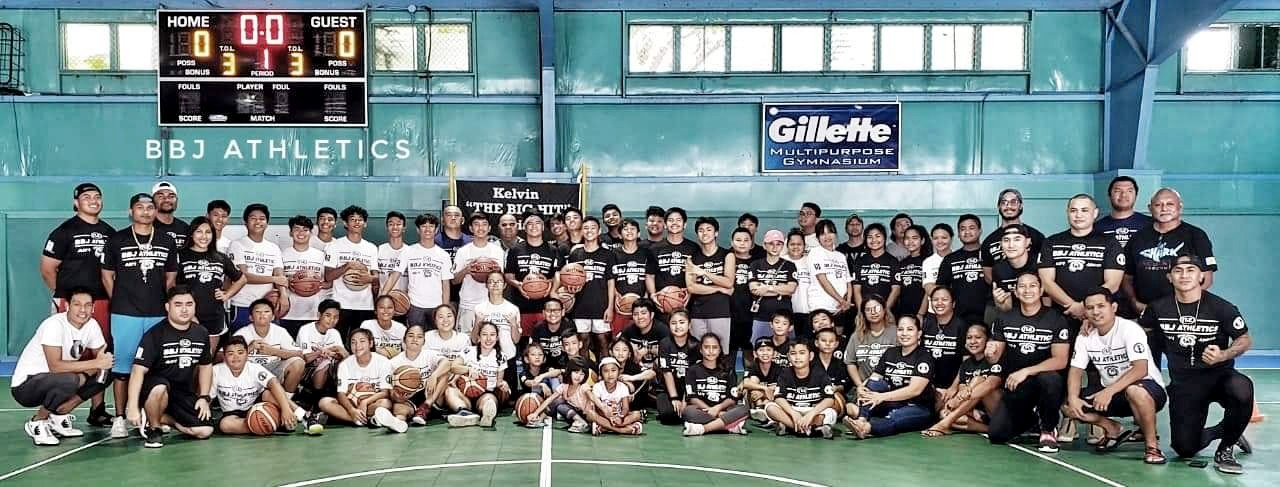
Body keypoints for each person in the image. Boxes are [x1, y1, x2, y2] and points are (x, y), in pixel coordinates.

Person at [1138, 254, 1254, 474]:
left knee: (1242, 389)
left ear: (1201, 275)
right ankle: (1227, 430)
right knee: (1184, 448)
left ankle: (1226, 448)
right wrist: (1100, 323)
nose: (1184, 275)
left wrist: (1224, 354)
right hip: (1185, 384)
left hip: (1220, 377)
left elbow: (1245, 338)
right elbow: (1138, 330)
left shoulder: (1221, 307)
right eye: (1178, 271)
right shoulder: (1158, 308)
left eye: (1191, 270)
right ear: (1169, 277)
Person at [101, 192, 178, 439]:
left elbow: (170, 279)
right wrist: (122, 299)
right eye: (140, 207)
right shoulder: (117, 240)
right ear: (130, 211)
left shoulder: (166, 240)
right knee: (122, 368)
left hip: (157, 313)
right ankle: (120, 417)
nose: (145, 211)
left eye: (150, 207)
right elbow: (106, 275)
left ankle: (150, 416)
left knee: (156, 368)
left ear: (155, 212)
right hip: (125, 314)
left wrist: (162, 304)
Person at [1064, 288, 1167, 464]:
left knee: (1135, 391)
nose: (1095, 312)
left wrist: (1108, 391)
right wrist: (1073, 398)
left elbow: (1140, 369)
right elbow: (1075, 370)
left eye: (1101, 306)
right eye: (1090, 308)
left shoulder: (1130, 329)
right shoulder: (1085, 336)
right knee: (1067, 405)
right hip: (1113, 393)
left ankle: (1152, 446)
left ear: (1114, 307)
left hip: (1148, 389)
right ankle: (1111, 428)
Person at [41, 183, 115, 428]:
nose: (93, 200)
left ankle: (98, 410)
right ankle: (54, 409)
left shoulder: (109, 232)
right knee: (66, 355)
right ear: (76, 202)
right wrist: (63, 297)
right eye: (86, 197)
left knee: (99, 354)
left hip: (102, 302)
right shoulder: (64, 231)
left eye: (97, 196)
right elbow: (48, 269)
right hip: (70, 303)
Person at [1124, 188, 1217, 367]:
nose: (1164, 208)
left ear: (1180, 207)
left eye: (1170, 204)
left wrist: (1178, 306)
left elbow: (1206, 278)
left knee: (1188, 369)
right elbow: (1127, 278)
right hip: (1146, 314)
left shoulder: (1195, 236)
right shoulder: (1138, 238)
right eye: (1158, 205)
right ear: (1150, 208)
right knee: (1145, 370)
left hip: (1181, 317)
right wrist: (1134, 301)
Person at [11, 287, 112, 446]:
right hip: (26, 387)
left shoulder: (91, 325)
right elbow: (55, 367)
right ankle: (38, 421)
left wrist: (76, 396)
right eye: (77, 304)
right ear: (67, 306)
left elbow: (103, 358)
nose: (82, 310)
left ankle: (57, 416)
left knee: (108, 371)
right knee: (69, 380)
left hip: (60, 380)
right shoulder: (54, 325)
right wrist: (95, 364)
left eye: (87, 305)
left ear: (93, 308)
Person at [986, 273, 1070, 453]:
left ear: (1040, 290)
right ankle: (1034, 419)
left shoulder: (1056, 319)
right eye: (1022, 286)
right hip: (1016, 385)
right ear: (1015, 292)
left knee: (1050, 379)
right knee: (997, 434)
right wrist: (990, 353)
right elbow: (995, 357)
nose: (1027, 290)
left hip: (1045, 383)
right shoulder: (1005, 319)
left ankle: (1048, 429)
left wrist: (1027, 371)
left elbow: (1061, 360)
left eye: (1032, 286)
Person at [125, 286, 214, 448]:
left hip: (181, 392)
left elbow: (206, 366)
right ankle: (154, 428)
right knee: (160, 387)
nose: (184, 309)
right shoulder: (155, 334)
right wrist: (132, 405)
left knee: (204, 430)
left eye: (189, 304)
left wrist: (204, 397)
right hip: (154, 388)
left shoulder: (201, 333)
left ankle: (162, 417)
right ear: (168, 307)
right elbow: (138, 370)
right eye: (178, 304)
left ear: (195, 306)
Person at [1038, 194, 1124, 328]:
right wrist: (1073, 306)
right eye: (1073, 210)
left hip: (1097, 317)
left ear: (1095, 213)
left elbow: (1113, 283)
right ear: (1067, 212)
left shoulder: (1110, 243)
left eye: (1084, 210)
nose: (1078, 215)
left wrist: (1086, 307)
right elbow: (1046, 282)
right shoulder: (1051, 242)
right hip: (1060, 314)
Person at [845, 315, 936, 439]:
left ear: (919, 333)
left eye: (910, 329)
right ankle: (861, 419)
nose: (904, 333)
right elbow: (874, 378)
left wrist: (881, 397)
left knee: (895, 417)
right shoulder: (891, 352)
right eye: (900, 329)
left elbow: (914, 390)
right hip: (892, 402)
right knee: (873, 384)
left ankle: (865, 428)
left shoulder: (924, 356)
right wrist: (862, 388)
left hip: (918, 407)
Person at [176, 217, 245, 354]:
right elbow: (171, 285)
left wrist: (227, 294)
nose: (203, 236)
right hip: (187, 315)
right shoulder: (180, 255)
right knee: (187, 356)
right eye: (199, 232)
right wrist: (186, 312)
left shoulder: (220, 257)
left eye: (208, 232)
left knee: (208, 357)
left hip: (214, 316)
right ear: (191, 234)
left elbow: (241, 279)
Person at [210, 336, 306, 436]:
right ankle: (272, 424)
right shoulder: (216, 371)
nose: (236, 357)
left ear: (247, 355)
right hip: (233, 413)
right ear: (224, 357)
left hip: (257, 404)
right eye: (230, 354)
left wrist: (285, 409)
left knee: (268, 393)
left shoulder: (254, 368)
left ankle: (303, 416)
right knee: (225, 425)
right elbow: (208, 397)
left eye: (240, 352)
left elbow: (274, 383)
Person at [923, 324, 1004, 437]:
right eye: (969, 338)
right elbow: (962, 391)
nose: (973, 341)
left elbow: (992, 384)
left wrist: (959, 398)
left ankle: (944, 425)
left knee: (979, 380)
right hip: (978, 413)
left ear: (988, 339)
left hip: (997, 410)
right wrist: (960, 405)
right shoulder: (966, 364)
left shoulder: (994, 359)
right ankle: (990, 429)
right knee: (943, 414)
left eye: (978, 337)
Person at [315, 328, 399, 432]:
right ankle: (366, 420)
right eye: (353, 342)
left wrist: (365, 401)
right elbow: (341, 394)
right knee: (324, 402)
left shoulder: (383, 362)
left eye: (362, 341)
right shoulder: (345, 364)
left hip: (371, 404)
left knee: (385, 404)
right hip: (351, 404)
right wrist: (352, 410)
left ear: (371, 343)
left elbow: (385, 392)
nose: (357, 345)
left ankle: (347, 419)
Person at [383, 213, 452, 328]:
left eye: (431, 226)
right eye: (424, 226)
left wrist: (444, 307)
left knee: (434, 340)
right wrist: (383, 296)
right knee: (415, 339)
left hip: (436, 306)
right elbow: (395, 275)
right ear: (418, 230)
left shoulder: (443, 255)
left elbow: (445, 284)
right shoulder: (408, 251)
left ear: (436, 230)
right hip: (414, 306)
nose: (427, 229)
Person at [227, 203, 287, 333]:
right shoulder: (237, 245)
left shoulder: (273, 248)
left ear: (267, 223)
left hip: (267, 307)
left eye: (262, 218)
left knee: (266, 347)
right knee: (241, 347)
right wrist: (274, 279)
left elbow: (280, 276)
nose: (258, 221)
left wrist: (283, 295)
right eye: (253, 218)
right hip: (243, 305)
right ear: (245, 222)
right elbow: (243, 276)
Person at [324, 206, 379, 338]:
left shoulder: (371, 248)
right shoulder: (334, 246)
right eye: (352, 219)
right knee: (339, 343)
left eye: (360, 220)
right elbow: (328, 276)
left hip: (365, 305)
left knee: (362, 344)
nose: (356, 222)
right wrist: (346, 266)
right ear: (345, 223)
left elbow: (376, 277)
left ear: (365, 223)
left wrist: (370, 278)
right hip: (341, 305)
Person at [505, 211, 562, 336]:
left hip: (545, 308)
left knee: (544, 343)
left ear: (542, 227)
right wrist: (519, 285)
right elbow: (508, 275)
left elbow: (557, 275)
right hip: (521, 306)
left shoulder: (553, 250)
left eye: (537, 223)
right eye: (529, 224)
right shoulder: (515, 250)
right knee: (523, 344)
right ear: (524, 228)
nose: (534, 226)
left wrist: (549, 285)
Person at [565, 216, 617, 357]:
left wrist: (610, 307)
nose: (589, 231)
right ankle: (585, 375)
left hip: (601, 304)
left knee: (603, 341)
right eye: (586, 228)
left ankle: (604, 374)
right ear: (581, 231)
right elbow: (567, 279)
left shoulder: (608, 255)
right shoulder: (576, 254)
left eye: (593, 227)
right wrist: (569, 289)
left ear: (599, 230)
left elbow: (611, 282)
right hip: (581, 305)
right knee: (583, 341)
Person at [681, 333, 750, 436]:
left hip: (723, 409)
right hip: (702, 410)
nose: (711, 351)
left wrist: (717, 408)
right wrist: (711, 411)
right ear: (701, 350)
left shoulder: (728, 370)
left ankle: (703, 429)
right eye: (707, 347)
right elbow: (692, 397)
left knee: (744, 410)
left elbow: (732, 397)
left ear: (719, 350)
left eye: (715, 347)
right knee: (688, 412)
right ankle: (730, 426)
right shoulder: (692, 370)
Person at [765, 342, 837, 439]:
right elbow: (779, 397)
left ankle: (791, 427)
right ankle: (809, 429)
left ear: (810, 356)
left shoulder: (819, 372)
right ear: (789, 357)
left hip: (812, 410)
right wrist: (793, 413)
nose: (797, 357)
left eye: (802, 353)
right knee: (770, 407)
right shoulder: (785, 373)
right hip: (793, 409)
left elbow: (829, 399)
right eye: (793, 353)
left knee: (831, 413)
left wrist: (812, 414)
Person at [233, 299, 306, 392]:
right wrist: (249, 348)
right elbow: (224, 358)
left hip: (274, 367)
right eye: (258, 312)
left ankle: (287, 398)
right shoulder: (242, 333)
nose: (262, 314)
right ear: (251, 317)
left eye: (266, 312)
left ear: (272, 317)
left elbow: (299, 354)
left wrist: (274, 351)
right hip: (251, 369)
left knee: (298, 363)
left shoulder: (280, 331)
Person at [448, 322, 511, 429]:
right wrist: (468, 369)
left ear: (497, 338)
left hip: (485, 393)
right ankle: (464, 412)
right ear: (478, 337)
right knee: (450, 390)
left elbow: (498, 382)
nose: (488, 338)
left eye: (492, 335)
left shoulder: (501, 356)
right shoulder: (469, 351)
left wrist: (504, 385)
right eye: (484, 334)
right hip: (465, 394)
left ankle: (484, 416)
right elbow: (453, 367)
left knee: (489, 401)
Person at [452, 212, 506, 333]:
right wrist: (466, 270)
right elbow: (454, 280)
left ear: (489, 228)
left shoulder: (497, 251)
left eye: (484, 224)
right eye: (476, 224)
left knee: (490, 341)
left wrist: (494, 272)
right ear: (471, 228)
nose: (480, 228)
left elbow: (501, 279)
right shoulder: (463, 252)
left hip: (491, 304)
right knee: (466, 343)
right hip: (468, 304)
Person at [686, 216, 735, 348]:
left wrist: (704, 272)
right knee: (698, 351)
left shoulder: (727, 255)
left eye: (708, 229)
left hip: (720, 311)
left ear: (716, 233)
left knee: (720, 352)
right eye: (701, 230)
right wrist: (718, 289)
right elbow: (691, 287)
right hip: (697, 312)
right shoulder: (692, 258)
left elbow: (728, 282)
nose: (704, 233)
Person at [390, 324, 453, 426]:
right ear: (404, 339)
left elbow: (447, 363)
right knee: (398, 408)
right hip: (410, 398)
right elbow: (391, 391)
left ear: (424, 341)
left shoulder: (429, 354)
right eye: (411, 335)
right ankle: (398, 423)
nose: (415, 339)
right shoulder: (394, 362)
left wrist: (434, 375)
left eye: (419, 337)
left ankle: (426, 406)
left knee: (444, 373)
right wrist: (399, 395)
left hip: (431, 396)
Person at [747, 229, 798, 352]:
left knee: (787, 352)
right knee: (759, 350)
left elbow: (791, 289)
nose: (775, 247)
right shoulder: (755, 265)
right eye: (771, 243)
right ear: (764, 245)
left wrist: (767, 288)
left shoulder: (789, 265)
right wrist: (780, 289)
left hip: (784, 318)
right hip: (761, 317)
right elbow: (754, 289)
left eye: (779, 244)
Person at [293, 299, 347, 415]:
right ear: (319, 315)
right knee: (326, 362)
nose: (332, 320)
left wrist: (340, 352)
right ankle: (315, 403)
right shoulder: (306, 330)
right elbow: (306, 358)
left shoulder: (335, 333)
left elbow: (344, 356)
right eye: (328, 315)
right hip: (307, 371)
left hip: (329, 371)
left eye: (335, 317)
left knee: (337, 364)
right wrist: (322, 352)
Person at [280, 215, 328, 337]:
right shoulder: (282, 255)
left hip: (313, 313)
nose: (301, 233)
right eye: (297, 229)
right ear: (291, 233)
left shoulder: (320, 256)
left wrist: (314, 285)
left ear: (311, 233)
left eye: (305, 230)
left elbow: (329, 282)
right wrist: (288, 282)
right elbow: (276, 282)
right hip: (288, 313)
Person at [981, 188, 1046, 279]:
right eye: (1004, 203)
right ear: (998, 206)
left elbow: (1045, 269)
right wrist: (1001, 288)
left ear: (1021, 206)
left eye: (1013, 202)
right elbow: (988, 275)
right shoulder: (989, 241)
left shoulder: (1036, 236)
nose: (1008, 206)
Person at [936, 214, 986, 324]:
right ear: (958, 234)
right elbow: (941, 288)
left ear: (980, 231)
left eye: (971, 228)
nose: (967, 232)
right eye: (963, 229)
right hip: (958, 317)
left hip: (987, 315)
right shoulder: (950, 259)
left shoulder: (989, 255)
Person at [609, 218, 656, 334]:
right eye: (625, 229)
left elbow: (649, 277)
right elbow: (610, 279)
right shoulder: (613, 254)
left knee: (641, 337)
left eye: (632, 229)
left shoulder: (646, 253)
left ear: (639, 233)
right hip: (621, 304)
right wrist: (616, 295)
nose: (629, 231)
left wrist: (646, 296)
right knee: (619, 338)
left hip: (641, 304)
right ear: (619, 235)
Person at [808, 219, 855, 337]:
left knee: (837, 341)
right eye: (822, 233)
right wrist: (842, 300)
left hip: (840, 309)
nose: (827, 236)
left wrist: (847, 301)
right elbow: (823, 280)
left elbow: (848, 281)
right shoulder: (815, 253)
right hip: (821, 307)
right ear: (817, 237)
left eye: (830, 232)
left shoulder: (840, 256)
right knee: (822, 340)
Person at [526, 356, 594, 433]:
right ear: (569, 372)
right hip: (573, 414)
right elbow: (550, 399)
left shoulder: (584, 387)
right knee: (557, 402)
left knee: (560, 403)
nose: (578, 376)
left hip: (586, 415)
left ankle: (583, 423)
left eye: (582, 374)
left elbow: (594, 399)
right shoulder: (565, 386)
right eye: (576, 372)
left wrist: (604, 412)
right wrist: (535, 413)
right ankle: (539, 420)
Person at [843, 296, 897, 389]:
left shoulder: (897, 332)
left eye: (877, 308)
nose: (873, 312)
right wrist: (860, 386)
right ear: (863, 313)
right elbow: (850, 362)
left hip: (891, 387)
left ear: (884, 310)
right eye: (868, 310)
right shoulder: (856, 336)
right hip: (863, 387)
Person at [655, 310, 698, 425]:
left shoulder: (695, 345)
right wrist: (674, 398)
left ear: (689, 325)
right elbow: (666, 372)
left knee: (688, 414)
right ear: (669, 325)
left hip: (688, 390)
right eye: (673, 323)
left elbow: (692, 377)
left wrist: (685, 400)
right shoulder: (664, 343)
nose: (678, 326)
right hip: (667, 390)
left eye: (681, 322)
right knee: (668, 416)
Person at [920, 286, 966, 390]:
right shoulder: (926, 324)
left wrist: (953, 388)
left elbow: (966, 362)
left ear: (953, 304)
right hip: (928, 384)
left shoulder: (961, 326)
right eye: (935, 300)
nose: (939, 303)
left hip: (953, 384)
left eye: (944, 299)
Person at [989, 224, 1039, 314]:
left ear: (1027, 242)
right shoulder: (999, 269)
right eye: (1006, 240)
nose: (1011, 245)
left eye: (1017, 239)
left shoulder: (1039, 265)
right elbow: (1006, 309)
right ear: (1000, 244)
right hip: (1014, 318)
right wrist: (1000, 303)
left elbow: (1047, 304)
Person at [472, 272, 520, 363]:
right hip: (485, 358)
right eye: (491, 281)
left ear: (505, 285)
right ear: (486, 285)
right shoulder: (479, 308)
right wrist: (477, 323)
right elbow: (474, 340)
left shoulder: (513, 309)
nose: (495, 284)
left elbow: (516, 340)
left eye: (499, 281)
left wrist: (513, 324)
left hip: (508, 356)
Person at [589, 357, 645, 436]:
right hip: (604, 416)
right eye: (605, 371)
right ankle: (623, 430)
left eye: (613, 370)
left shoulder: (623, 387)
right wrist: (609, 417)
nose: (610, 374)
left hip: (619, 416)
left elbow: (625, 408)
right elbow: (597, 408)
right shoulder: (597, 387)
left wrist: (620, 417)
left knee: (637, 414)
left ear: (619, 372)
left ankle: (604, 428)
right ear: (601, 374)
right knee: (590, 414)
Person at [1095, 176, 1152, 250]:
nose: (1123, 195)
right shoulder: (1097, 227)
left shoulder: (1150, 224)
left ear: (1136, 195)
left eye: (1129, 191)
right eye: (1118, 191)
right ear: (1109, 195)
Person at [650, 207, 698, 293]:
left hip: (685, 299)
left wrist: (690, 293)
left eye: (678, 220)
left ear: (685, 224)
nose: (674, 223)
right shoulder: (654, 248)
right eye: (671, 220)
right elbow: (650, 276)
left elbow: (695, 275)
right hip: (661, 299)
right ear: (665, 225)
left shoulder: (693, 248)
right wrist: (653, 295)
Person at [852, 223, 899, 312]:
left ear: (884, 238)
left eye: (878, 236)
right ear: (865, 240)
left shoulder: (893, 261)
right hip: (865, 310)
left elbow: (896, 289)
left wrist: (885, 310)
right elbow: (857, 290)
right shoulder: (860, 261)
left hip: (886, 311)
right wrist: (861, 312)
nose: (874, 240)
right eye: (870, 237)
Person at [894, 225, 929, 318]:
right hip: (903, 312)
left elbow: (928, 291)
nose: (910, 241)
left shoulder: (928, 261)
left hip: (922, 314)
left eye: (915, 238)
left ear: (922, 241)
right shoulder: (901, 263)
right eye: (907, 238)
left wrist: (921, 313)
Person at [783, 228, 813, 336]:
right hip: (787, 313)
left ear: (804, 246)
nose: (796, 247)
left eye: (799, 244)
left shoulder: (811, 261)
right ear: (787, 246)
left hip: (808, 311)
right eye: (792, 244)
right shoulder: (781, 261)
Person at [921, 223, 954, 315]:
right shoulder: (928, 262)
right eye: (936, 238)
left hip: (956, 310)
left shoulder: (958, 257)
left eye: (944, 238)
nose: (940, 241)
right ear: (931, 240)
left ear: (951, 238)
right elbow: (928, 287)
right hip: (934, 311)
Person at [530, 299, 573, 369]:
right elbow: (533, 352)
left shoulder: (569, 327)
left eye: (556, 310)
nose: (552, 314)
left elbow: (573, 352)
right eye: (549, 311)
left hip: (565, 367)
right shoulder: (538, 328)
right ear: (543, 313)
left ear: (563, 312)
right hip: (543, 367)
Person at [376, 211, 409, 297]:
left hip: (404, 302)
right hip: (382, 301)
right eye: (391, 224)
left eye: (398, 224)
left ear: (404, 228)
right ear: (387, 227)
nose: (394, 227)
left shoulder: (410, 252)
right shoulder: (379, 250)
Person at [151, 181, 190, 250]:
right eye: (160, 196)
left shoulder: (185, 228)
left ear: (177, 200)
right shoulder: (147, 227)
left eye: (171, 196)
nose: (166, 199)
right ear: (152, 201)